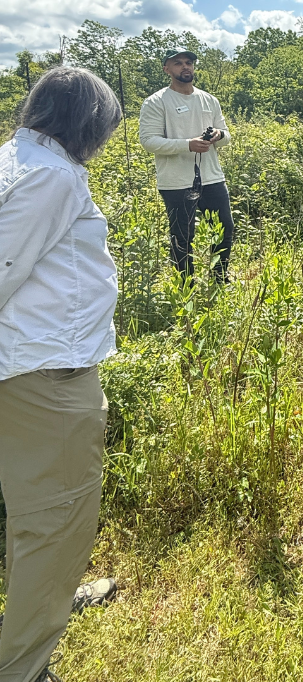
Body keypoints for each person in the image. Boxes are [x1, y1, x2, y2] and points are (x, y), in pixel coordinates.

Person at [0, 67, 123, 682]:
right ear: (87, 125)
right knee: (58, 519)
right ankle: (23, 666)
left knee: (34, 512)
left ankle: (40, 601)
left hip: (25, 371)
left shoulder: (16, 160)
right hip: (45, 376)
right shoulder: (51, 178)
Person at [139, 48, 234, 281]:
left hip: (212, 177)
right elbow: (148, 141)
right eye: (178, 63)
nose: (185, 67)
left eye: (189, 62)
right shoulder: (156, 102)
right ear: (166, 69)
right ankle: (185, 285)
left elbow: (227, 136)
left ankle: (220, 278)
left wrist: (218, 136)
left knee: (225, 229)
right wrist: (187, 145)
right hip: (176, 181)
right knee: (182, 236)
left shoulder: (209, 100)